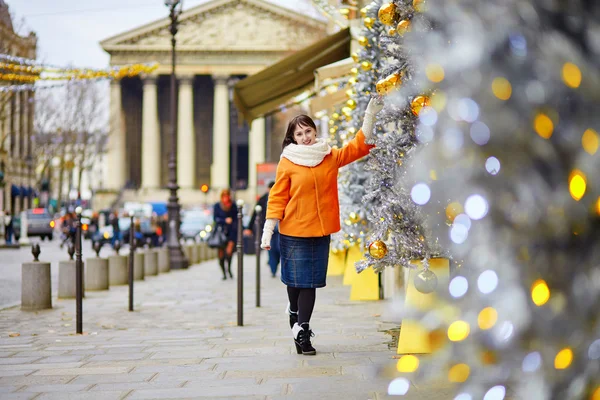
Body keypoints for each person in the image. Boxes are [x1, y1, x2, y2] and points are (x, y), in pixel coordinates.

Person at [261, 97, 384, 355]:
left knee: (310, 283)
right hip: (293, 231)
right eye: (299, 133)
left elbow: (358, 147)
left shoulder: (329, 156)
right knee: (294, 282)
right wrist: (268, 230)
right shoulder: (288, 161)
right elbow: (278, 197)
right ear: (293, 138)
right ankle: (293, 312)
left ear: (315, 131)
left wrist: (371, 114)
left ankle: (303, 331)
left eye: (308, 131)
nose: (305, 137)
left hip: (320, 232)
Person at [244, 181, 280, 277]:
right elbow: (255, 213)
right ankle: (273, 268)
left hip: (281, 228)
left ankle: (274, 264)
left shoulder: (281, 196)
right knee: (271, 249)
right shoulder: (263, 199)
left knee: (279, 248)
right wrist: (249, 227)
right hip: (269, 228)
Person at [213, 189, 238, 280]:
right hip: (220, 232)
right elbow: (215, 219)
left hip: (231, 232)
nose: (226, 198)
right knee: (221, 254)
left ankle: (229, 269)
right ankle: (224, 272)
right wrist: (225, 220)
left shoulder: (233, 206)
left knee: (229, 252)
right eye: (224, 196)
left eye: (227, 195)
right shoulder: (217, 206)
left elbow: (237, 219)